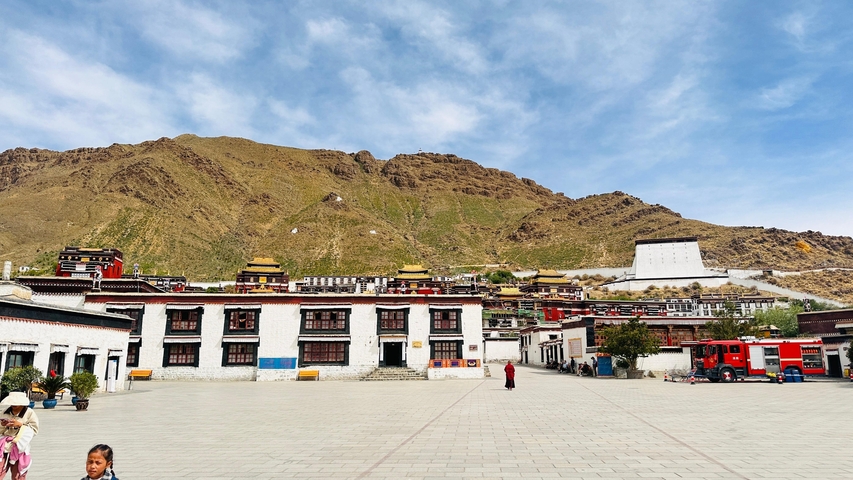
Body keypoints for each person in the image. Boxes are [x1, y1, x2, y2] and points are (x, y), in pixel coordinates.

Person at [1, 392, 39, 480]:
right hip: (4, 446)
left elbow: (34, 429)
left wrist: (20, 425)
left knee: (17, 475)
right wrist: (3, 425)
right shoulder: (4, 412)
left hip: (20, 446)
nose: (13, 405)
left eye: (16, 403)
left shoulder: (29, 413)